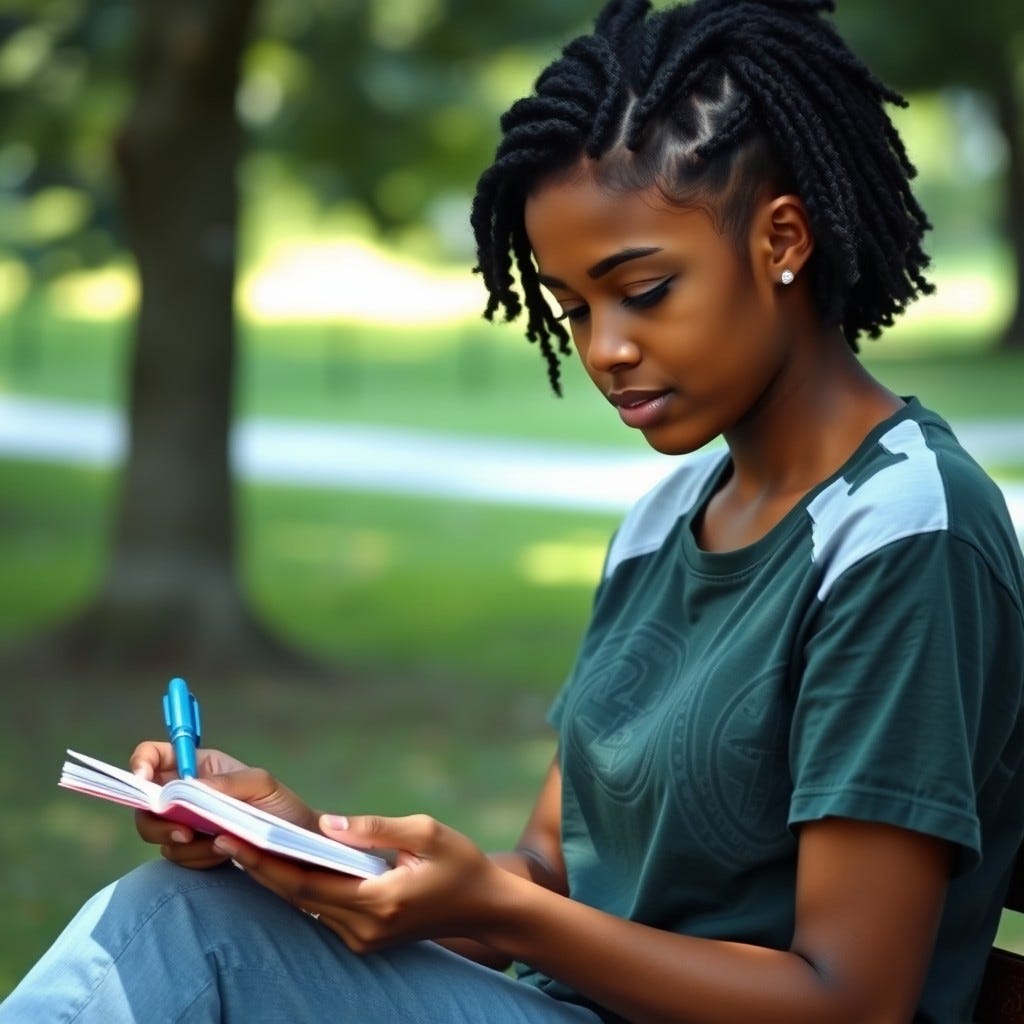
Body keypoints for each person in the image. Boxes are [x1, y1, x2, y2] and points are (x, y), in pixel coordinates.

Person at [4, 0, 1023, 1020]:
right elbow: (550, 867)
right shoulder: (665, 521)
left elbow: (852, 1002)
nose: (603, 348)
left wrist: (509, 911)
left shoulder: (903, 530)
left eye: (645, 289)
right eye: (574, 306)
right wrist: (306, 844)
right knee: (191, 909)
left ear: (781, 239)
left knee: (180, 937)